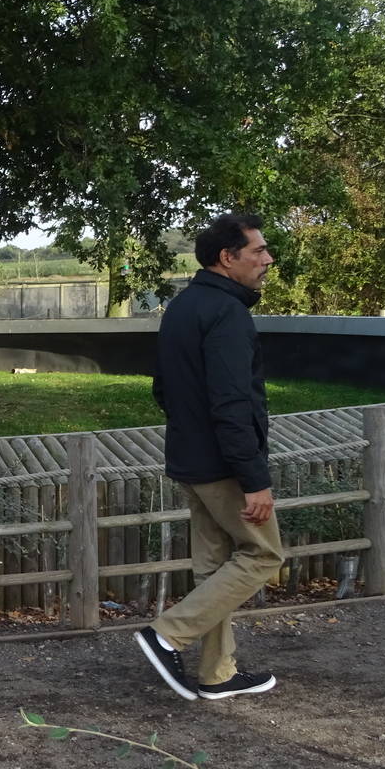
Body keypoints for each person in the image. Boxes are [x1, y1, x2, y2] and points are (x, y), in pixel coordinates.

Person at [136, 213, 283, 702]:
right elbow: (233, 403)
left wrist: (193, 432)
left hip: (188, 457)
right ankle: (168, 634)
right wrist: (254, 479)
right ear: (228, 258)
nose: (267, 259)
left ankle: (217, 672)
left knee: (215, 564)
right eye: (258, 251)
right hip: (224, 465)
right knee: (263, 554)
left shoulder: (182, 307)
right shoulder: (227, 314)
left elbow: (164, 388)